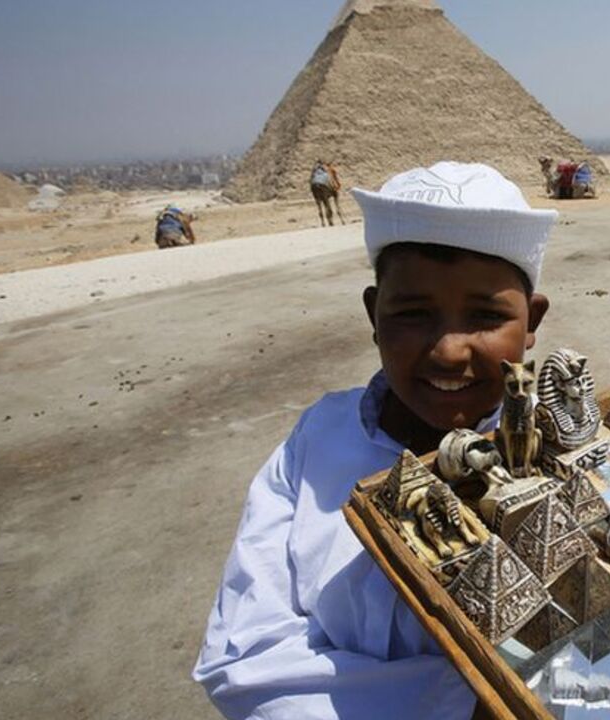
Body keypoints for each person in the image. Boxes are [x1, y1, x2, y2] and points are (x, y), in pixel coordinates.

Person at [192, 161, 556, 720]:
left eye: (485, 316)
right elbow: (243, 658)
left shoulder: (556, 450)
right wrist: (474, 704)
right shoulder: (319, 440)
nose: (449, 351)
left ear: (530, 323)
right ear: (373, 314)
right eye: (413, 315)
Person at [310, 160, 345, 226]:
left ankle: (323, 222)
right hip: (324, 186)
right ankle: (337, 220)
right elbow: (335, 181)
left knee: (320, 205)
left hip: (314, 186)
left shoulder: (314, 172)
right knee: (330, 203)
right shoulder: (329, 170)